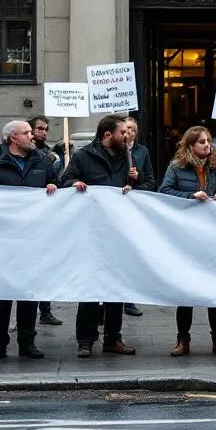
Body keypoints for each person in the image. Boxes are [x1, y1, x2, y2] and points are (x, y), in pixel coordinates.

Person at [0, 120, 58, 360]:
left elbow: (58, 182)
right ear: (13, 138)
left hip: (33, 238)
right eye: (27, 133)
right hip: (3, 239)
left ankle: (27, 342)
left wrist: (55, 184)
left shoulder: (41, 160)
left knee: (28, 292)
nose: (33, 136)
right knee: (2, 292)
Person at [60, 115, 139, 357]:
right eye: (122, 132)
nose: (126, 136)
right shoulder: (84, 156)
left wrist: (135, 183)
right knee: (91, 288)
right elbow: (64, 181)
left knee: (116, 286)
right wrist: (75, 183)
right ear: (107, 135)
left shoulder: (127, 157)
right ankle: (86, 339)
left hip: (118, 232)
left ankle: (113, 338)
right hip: (91, 232)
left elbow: (146, 189)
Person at [159, 126, 216, 356]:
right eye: (202, 142)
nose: (207, 145)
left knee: (215, 290)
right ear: (191, 145)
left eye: (209, 141)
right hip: (187, 238)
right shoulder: (177, 167)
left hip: (214, 236)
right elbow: (164, 192)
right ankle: (182, 339)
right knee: (186, 291)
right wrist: (190, 196)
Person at [30, 114, 64, 327]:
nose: (43, 132)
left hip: (43, 217)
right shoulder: (24, 151)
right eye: (39, 128)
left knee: (43, 265)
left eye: (45, 129)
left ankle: (45, 310)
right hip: (26, 216)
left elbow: (55, 179)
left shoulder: (47, 153)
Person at [120, 116, 154, 318]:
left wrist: (137, 178)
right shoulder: (114, 151)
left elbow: (151, 181)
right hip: (114, 206)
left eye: (132, 129)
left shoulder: (142, 152)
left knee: (130, 253)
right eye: (125, 129)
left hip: (133, 208)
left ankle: (129, 299)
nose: (128, 133)